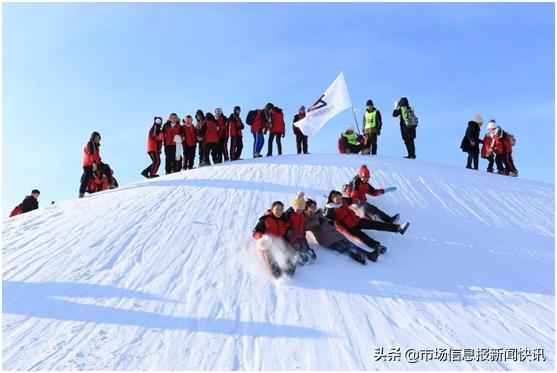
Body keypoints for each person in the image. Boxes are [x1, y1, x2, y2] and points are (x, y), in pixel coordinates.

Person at [325, 190, 410, 255]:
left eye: (340, 197)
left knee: (376, 225)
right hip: (349, 227)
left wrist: (356, 199)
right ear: (332, 199)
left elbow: (352, 199)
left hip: (357, 220)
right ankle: (377, 247)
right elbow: (329, 222)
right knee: (363, 237)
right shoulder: (330, 209)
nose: (340, 200)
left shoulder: (344, 200)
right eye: (337, 199)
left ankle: (398, 228)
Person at [304, 199, 372, 264]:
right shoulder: (307, 218)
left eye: (315, 205)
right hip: (325, 238)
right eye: (312, 206)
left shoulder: (319, 213)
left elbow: (327, 222)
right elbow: (306, 226)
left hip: (335, 233)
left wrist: (329, 221)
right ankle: (357, 257)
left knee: (351, 245)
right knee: (342, 248)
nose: (315, 207)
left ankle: (368, 255)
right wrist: (317, 221)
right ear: (307, 208)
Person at [253, 201, 297, 278]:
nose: (279, 212)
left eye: (281, 209)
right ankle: (274, 268)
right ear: (272, 209)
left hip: (278, 242)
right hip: (266, 243)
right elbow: (255, 232)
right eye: (277, 209)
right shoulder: (265, 219)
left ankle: (288, 265)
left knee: (285, 252)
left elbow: (287, 231)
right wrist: (261, 237)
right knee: (269, 253)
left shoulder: (284, 220)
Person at [79, 131, 116, 198]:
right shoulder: (90, 144)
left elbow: (97, 158)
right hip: (88, 165)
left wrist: (101, 164)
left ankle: (111, 184)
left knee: (106, 168)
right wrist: (94, 163)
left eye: (99, 138)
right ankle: (81, 193)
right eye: (96, 137)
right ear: (93, 138)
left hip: (94, 163)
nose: (97, 139)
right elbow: (91, 153)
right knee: (86, 177)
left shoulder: (97, 147)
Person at [284, 192, 316, 265]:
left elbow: (306, 221)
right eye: (297, 209)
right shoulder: (289, 214)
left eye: (301, 210)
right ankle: (298, 257)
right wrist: (290, 233)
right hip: (291, 236)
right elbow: (285, 225)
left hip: (301, 235)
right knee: (295, 247)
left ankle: (308, 251)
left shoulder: (303, 214)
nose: (299, 211)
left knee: (304, 247)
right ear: (293, 207)